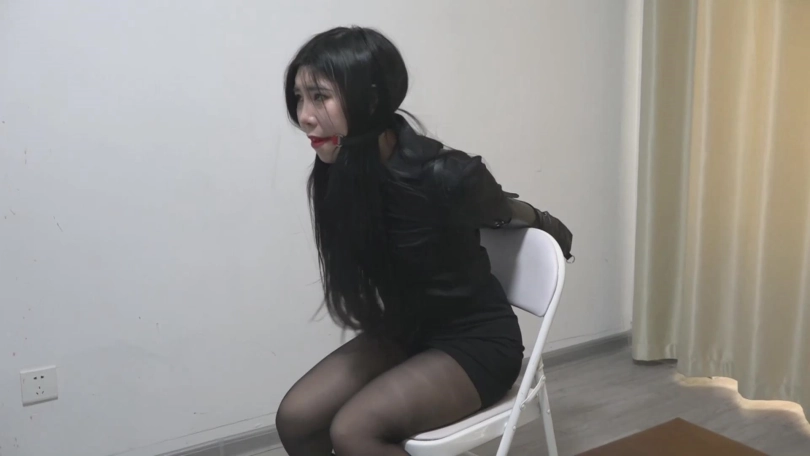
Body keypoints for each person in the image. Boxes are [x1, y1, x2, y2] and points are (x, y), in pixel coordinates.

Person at [275, 26, 573, 456]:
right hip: (406, 331)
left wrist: (548, 225)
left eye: (319, 97)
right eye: (300, 97)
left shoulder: (445, 174)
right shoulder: (337, 172)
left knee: (354, 431)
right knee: (297, 419)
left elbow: (504, 211)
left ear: (371, 100)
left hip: (476, 343)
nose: (304, 115)